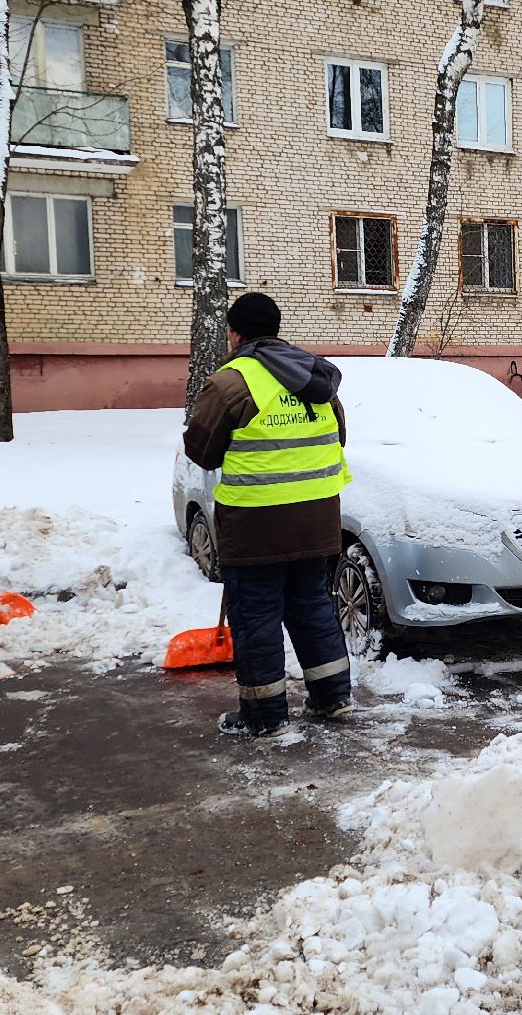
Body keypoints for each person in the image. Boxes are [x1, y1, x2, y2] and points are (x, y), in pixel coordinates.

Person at [182, 293, 356, 737]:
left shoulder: (232, 382)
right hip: (316, 519)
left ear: (236, 333)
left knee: (256, 615)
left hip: (256, 525)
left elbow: (201, 450)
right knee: (312, 605)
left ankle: (264, 715)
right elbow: (339, 436)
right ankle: (332, 698)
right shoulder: (312, 375)